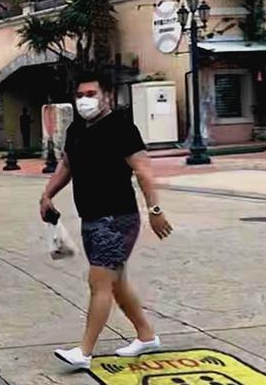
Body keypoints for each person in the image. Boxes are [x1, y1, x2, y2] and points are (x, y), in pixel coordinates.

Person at [39, 70, 172, 371]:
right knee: (116, 282)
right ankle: (146, 336)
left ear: (107, 96)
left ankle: (84, 352)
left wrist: (154, 211)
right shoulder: (76, 130)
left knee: (99, 281)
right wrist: (47, 194)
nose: (85, 101)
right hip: (91, 217)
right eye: (80, 95)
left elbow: (143, 170)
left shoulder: (121, 128)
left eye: (91, 94)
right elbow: (67, 164)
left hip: (117, 218)